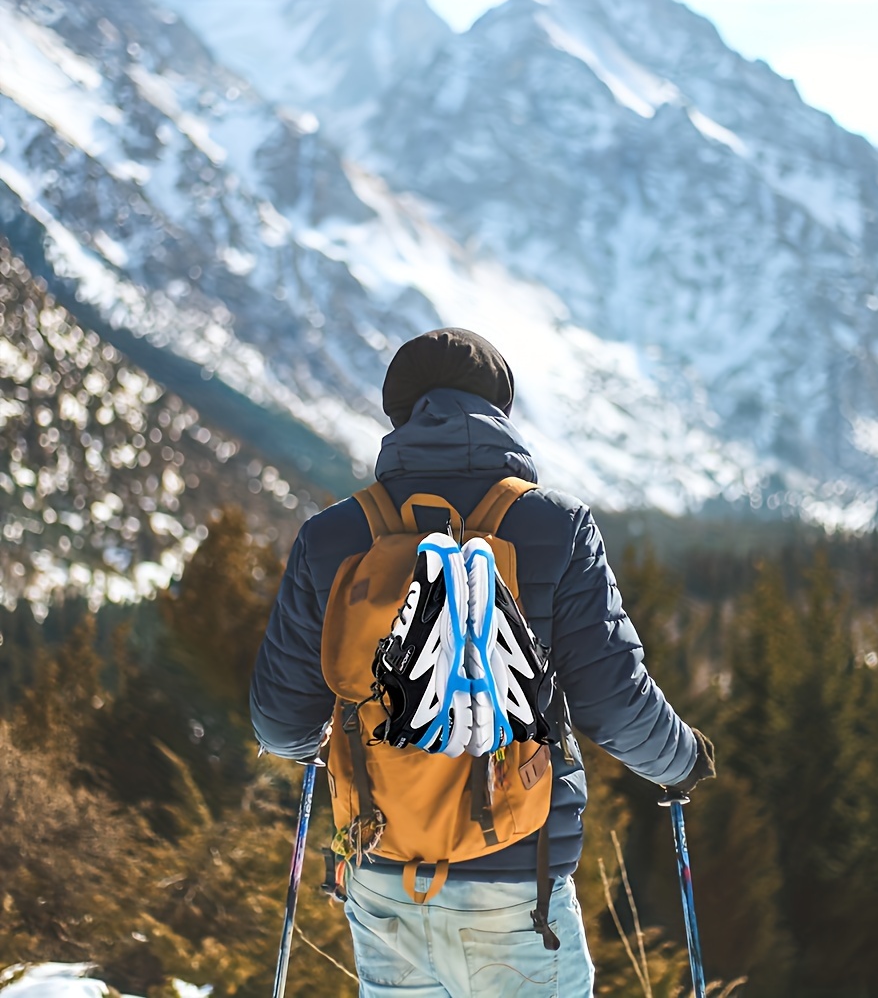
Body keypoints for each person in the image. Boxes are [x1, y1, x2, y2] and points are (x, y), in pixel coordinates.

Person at [251, 327, 716, 996]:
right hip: (516, 879)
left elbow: (279, 725)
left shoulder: (333, 537)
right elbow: (614, 702)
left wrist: (334, 738)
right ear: (499, 411)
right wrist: (682, 762)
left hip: (383, 872)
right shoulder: (555, 527)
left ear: (400, 415)